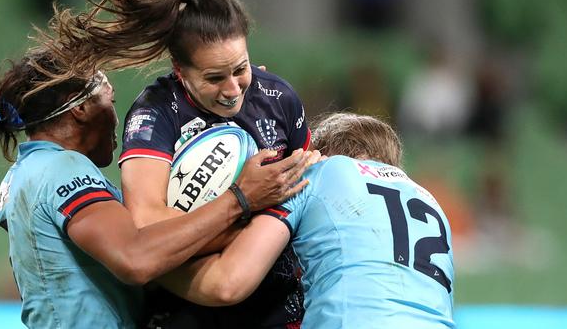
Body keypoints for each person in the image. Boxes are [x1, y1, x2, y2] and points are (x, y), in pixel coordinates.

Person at [0, 49, 314, 328]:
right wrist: (241, 199)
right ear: (80, 109)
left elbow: (153, 256)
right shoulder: (62, 168)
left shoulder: (28, 171)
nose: (116, 116)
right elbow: (137, 260)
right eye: (109, 100)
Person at [39, 0, 311, 327]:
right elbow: (146, 225)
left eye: (240, 69)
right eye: (214, 77)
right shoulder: (154, 114)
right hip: (186, 312)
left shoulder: (278, 96)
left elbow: (307, 188)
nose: (233, 90)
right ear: (180, 71)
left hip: (278, 311)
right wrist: (244, 205)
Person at [160, 113, 456, 329]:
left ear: (317, 155)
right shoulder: (432, 202)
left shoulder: (319, 172)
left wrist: (154, 267)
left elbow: (227, 283)